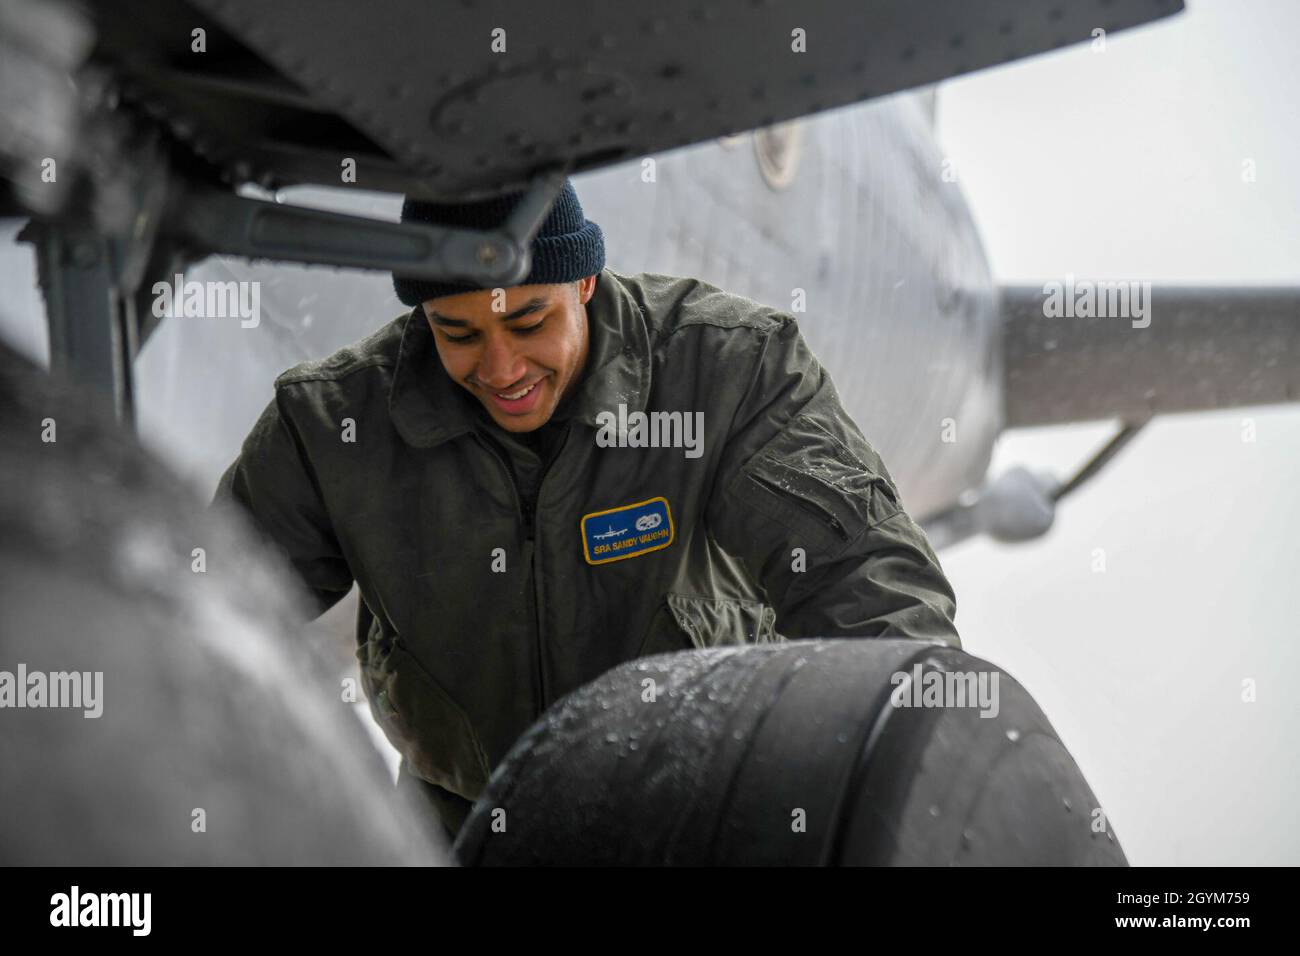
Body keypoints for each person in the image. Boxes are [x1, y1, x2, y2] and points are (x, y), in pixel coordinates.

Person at [217, 179, 959, 840]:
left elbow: (867, 588)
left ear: (584, 284)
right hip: (465, 834)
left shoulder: (727, 371)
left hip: (703, 829)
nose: (502, 369)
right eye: (459, 334)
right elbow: (195, 606)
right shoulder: (331, 429)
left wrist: (897, 803)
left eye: (530, 321)